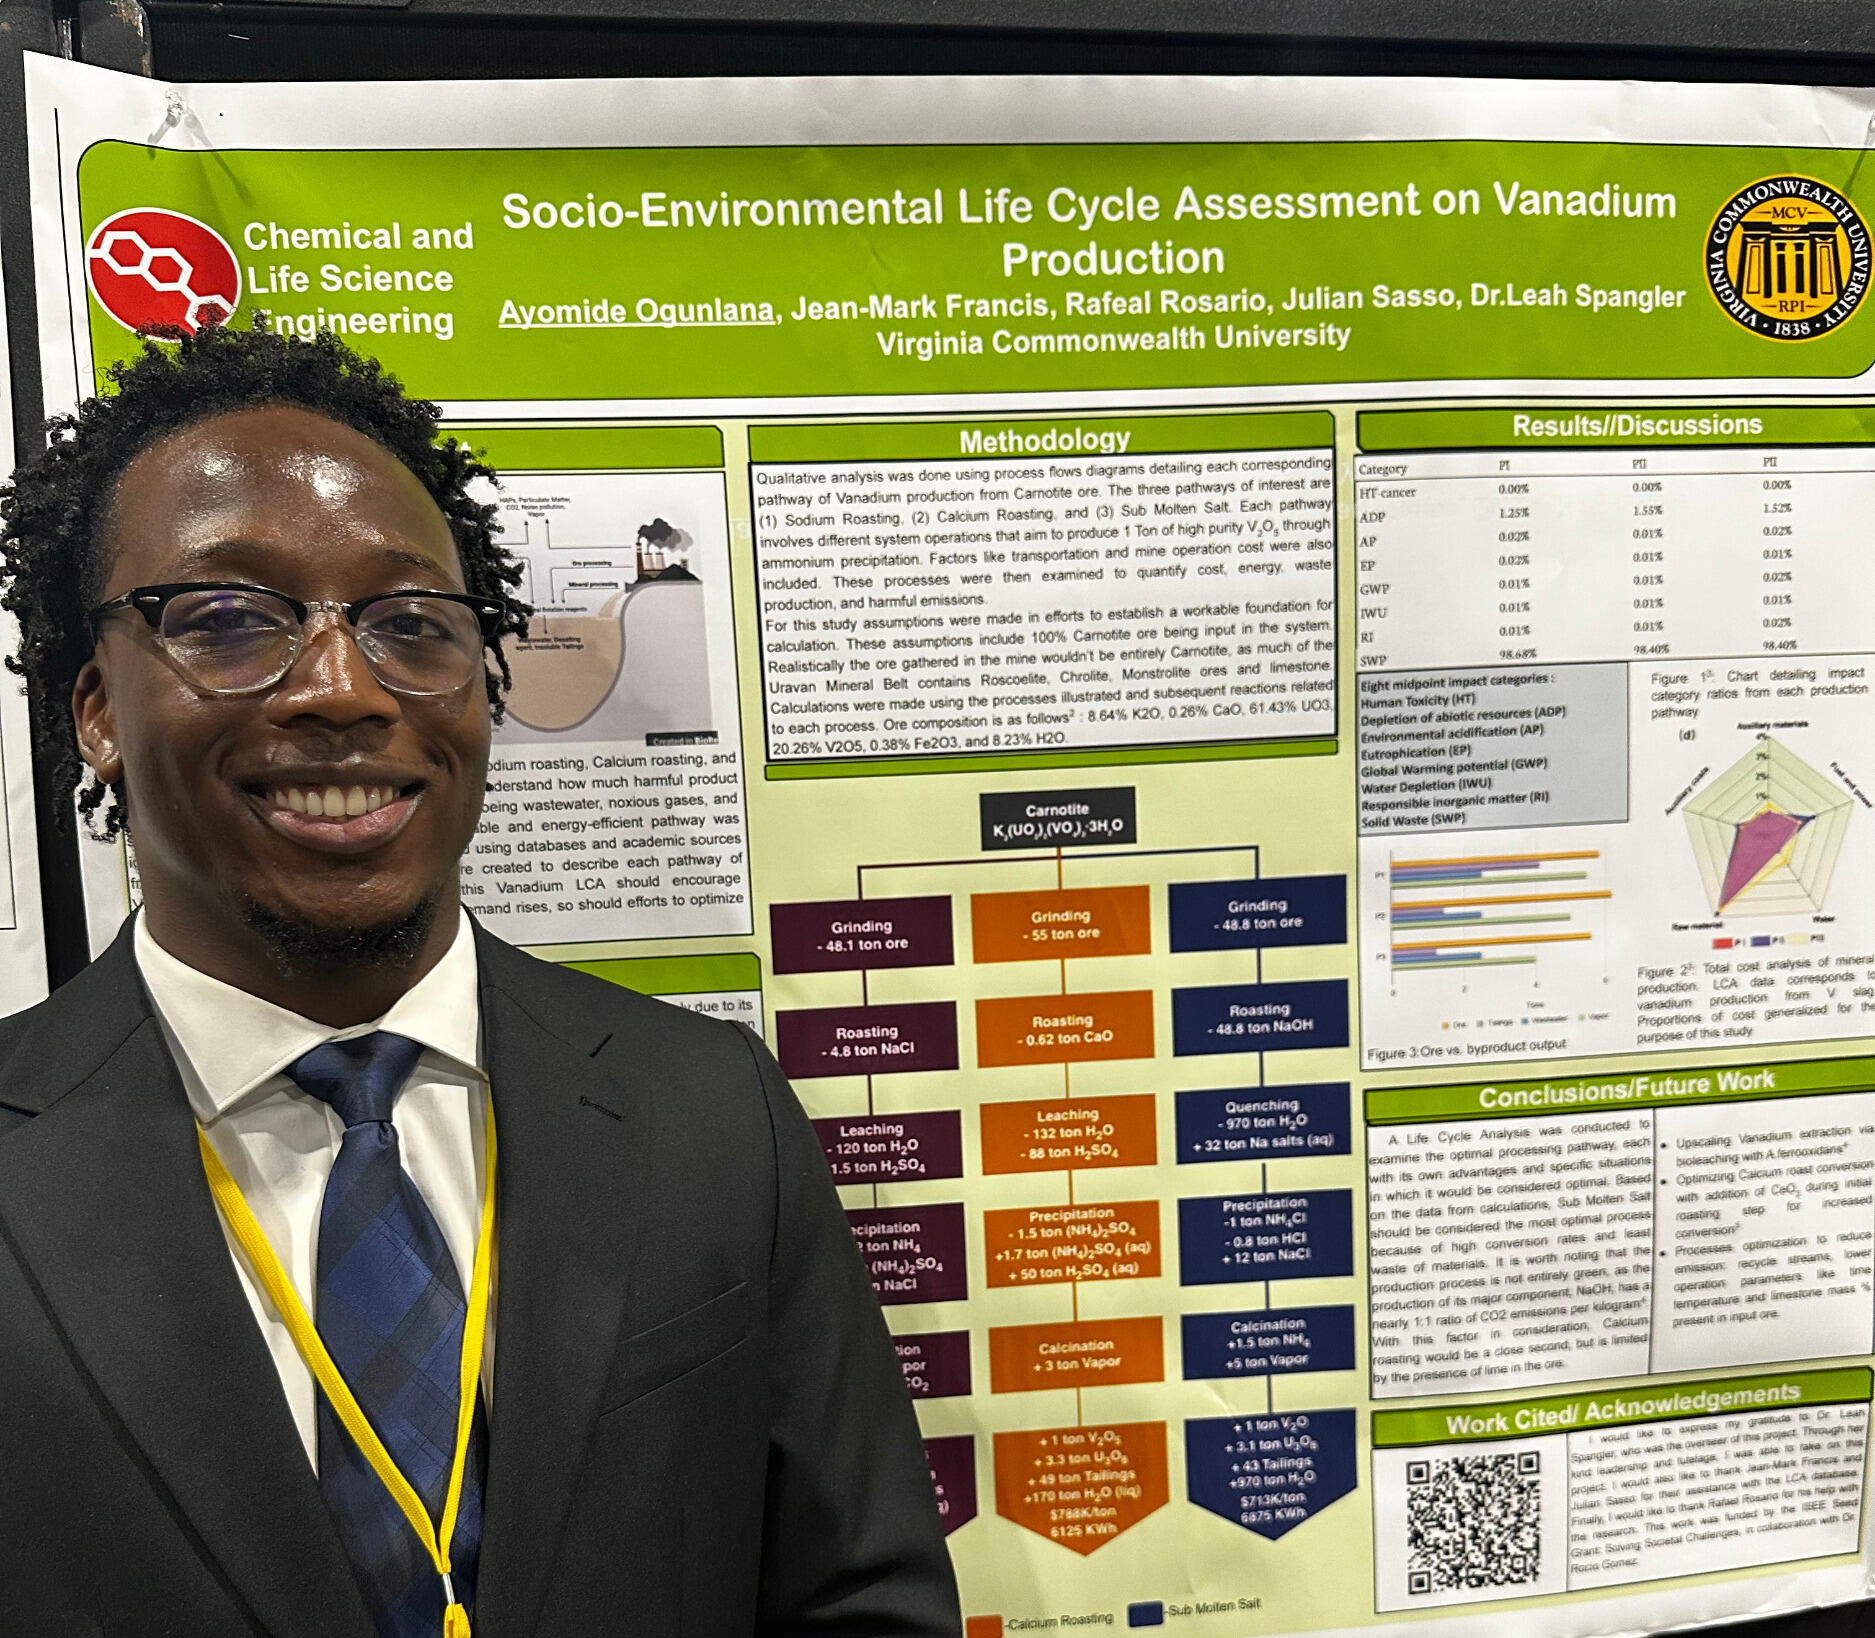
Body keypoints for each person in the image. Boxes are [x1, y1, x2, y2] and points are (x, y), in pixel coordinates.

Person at [0, 323, 962, 1638]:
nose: (343, 686)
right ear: (97, 707)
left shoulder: (711, 1115)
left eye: (410, 623)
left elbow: (863, 1597)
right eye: (228, 619)